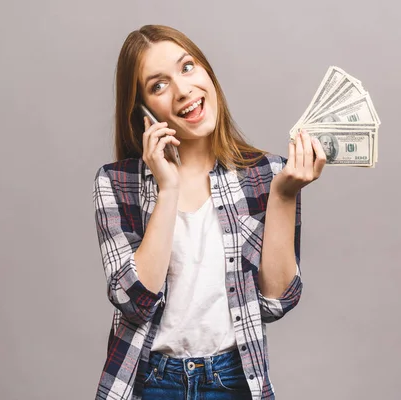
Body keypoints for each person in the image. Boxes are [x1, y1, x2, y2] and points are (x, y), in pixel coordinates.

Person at [92, 24, 326, 400]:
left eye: (187, 67)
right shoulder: (117, 184)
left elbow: (276, 301)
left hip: (233, 380)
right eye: (158, 85)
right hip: (150, 381)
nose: (184, 90)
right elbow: (135, 302)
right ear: (142, 111)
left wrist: (284, 194)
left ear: (207, 72)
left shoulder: (265, 175)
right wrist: (167, 188)